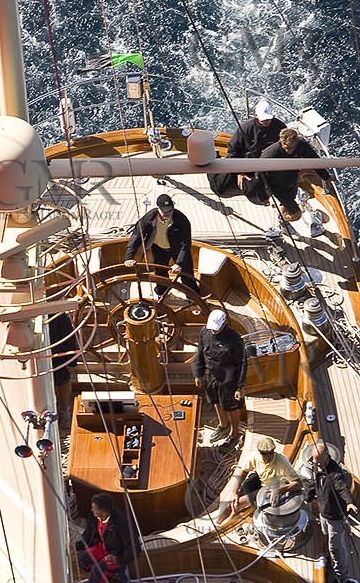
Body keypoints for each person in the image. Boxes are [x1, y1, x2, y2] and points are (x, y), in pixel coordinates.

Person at [75, 493, 137, 583]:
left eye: (94, 508)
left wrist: (119, 559)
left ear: (103, 511)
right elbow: (89, 534)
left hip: (116, 555)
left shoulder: (121, 523)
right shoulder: (95, 517)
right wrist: (77, 546)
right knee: (82, 560)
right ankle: (112, 576)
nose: (91, 510)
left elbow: (134, 548)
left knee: (97, 572)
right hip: (103, 548)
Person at [305, 440, 359, 583]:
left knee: (337, 548)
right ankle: (330, 558)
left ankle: (342, 577)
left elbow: (342, 489)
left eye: (319, 463)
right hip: (324, 514)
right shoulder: (317, 465)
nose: (317, 465)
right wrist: (307, 495)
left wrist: (349, 502)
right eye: (315, 462)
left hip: (335, 518)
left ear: (327, 457)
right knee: (327, 539)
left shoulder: (335, 474)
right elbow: (314, 482)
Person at [207, 99, 286, 198]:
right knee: (220, 186)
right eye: (264, 120)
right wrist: (240, 171)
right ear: (256, 116)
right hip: (241, 163)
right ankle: (215, 159)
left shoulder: (280, 127)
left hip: (264, 166)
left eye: (268, 119)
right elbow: (233, 150)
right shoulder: (246, 128)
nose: (267, 122)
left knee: (256, 190)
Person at [216, 434, 301, 524]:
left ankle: (229, 521)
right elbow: (243, 472)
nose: (267, 457)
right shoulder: (255, 455)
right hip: (261, 479)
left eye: (270, 453)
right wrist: (234, 492)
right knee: (232, 501)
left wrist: (280, 490)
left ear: (273, 451)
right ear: (259, 452)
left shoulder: (282, 463)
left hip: (272, 488)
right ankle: (218, 523)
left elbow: (298, 484)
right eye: (264, 454)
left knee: (240, 503)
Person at [124, 194, 197, 296]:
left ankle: (193, 296)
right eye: (165, 211)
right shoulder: (148, 219)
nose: (167, 213)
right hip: (159, 248)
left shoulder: (182, 220)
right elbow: (136, 236)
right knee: (160, 272)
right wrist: (129, 257)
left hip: (179, 249)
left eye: (170, 210)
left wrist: (179, 263)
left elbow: (185, 244)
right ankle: (161, 294)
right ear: (158, 208)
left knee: (187, 274)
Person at [250, 126, 328, 221]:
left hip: (292, 180)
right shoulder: (270, 155)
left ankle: (282, 216)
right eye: (287, 148)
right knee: (296, 214)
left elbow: (314, 160)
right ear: (281, 142)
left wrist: (326, 177)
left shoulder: (301, 146)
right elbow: (259, 175)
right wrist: (263, 196)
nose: (289, 151)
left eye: (292, 148)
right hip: (277, 186)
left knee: (287, 203)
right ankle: (283, 219)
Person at [192, 308, 247, 443]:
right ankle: (223, 425)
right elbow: (199, 353)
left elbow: (242, 362)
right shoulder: (204, 332)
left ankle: (234, 434)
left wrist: (240, 387)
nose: (213, 331)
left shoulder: (234, 338)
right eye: (212, 328)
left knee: (231, 406)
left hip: (229, 378)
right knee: (215, 401)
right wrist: (198, 374)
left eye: (216, 328)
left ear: (224, 324)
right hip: (211, 375)